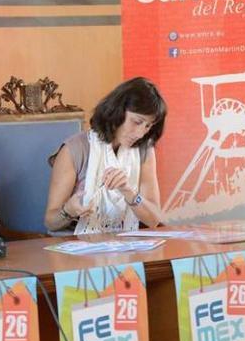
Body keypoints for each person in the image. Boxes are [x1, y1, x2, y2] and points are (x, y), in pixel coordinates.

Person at [44, 77, 167, 234]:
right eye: (137, 122)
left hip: (125, 244)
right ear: (117, 112)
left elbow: (154, 220)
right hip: (76, 246)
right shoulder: (73, 150)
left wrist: (129, 192)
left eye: (148, 126)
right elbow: (50, 222)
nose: (141, 133)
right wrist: (68, 211)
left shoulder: (144, 150)